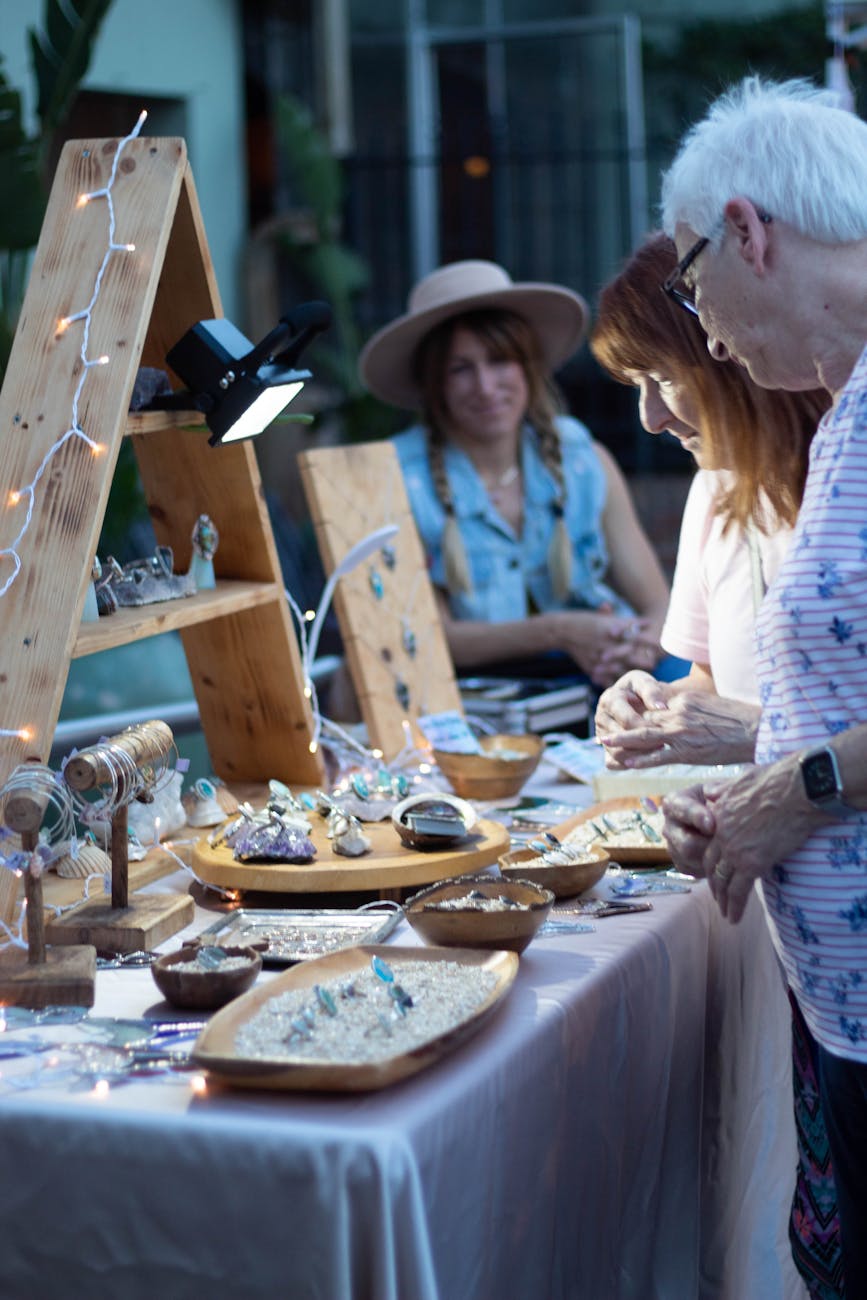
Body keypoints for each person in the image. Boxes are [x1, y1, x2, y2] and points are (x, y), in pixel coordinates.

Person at [589, 232, 838, 1299]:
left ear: (727, 346)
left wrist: (734, 731)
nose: (649, 416)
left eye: (660, 378)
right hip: (758, 895)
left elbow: (778, 719)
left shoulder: (840, 482)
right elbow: (693, 677)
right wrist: (645, 700)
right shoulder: (708, 499)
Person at [657, 75, 867, 1297]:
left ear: (748, 231)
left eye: (692, 284)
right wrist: (752, 795)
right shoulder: (841, 405)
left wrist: (805, 785)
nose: (705, 331)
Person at [358, 259, 679, 690]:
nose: (486, 387)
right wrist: (560, 631)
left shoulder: (583, 459)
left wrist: (638, 648)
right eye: (460, 369)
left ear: (528, 366)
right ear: (434, 384)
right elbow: (428, 639)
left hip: (598, 669)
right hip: (478, 692)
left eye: (499, 361)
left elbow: (659, 606)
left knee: (684, 673)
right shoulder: (395, 479)